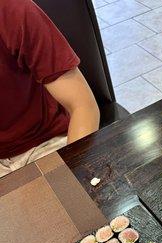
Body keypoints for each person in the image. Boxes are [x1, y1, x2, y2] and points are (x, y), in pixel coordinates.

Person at [0, 0, 100, 177]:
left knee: (74, 201)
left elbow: (83, 106)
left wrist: (70, 178)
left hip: (42, 145)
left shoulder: (12, 10)